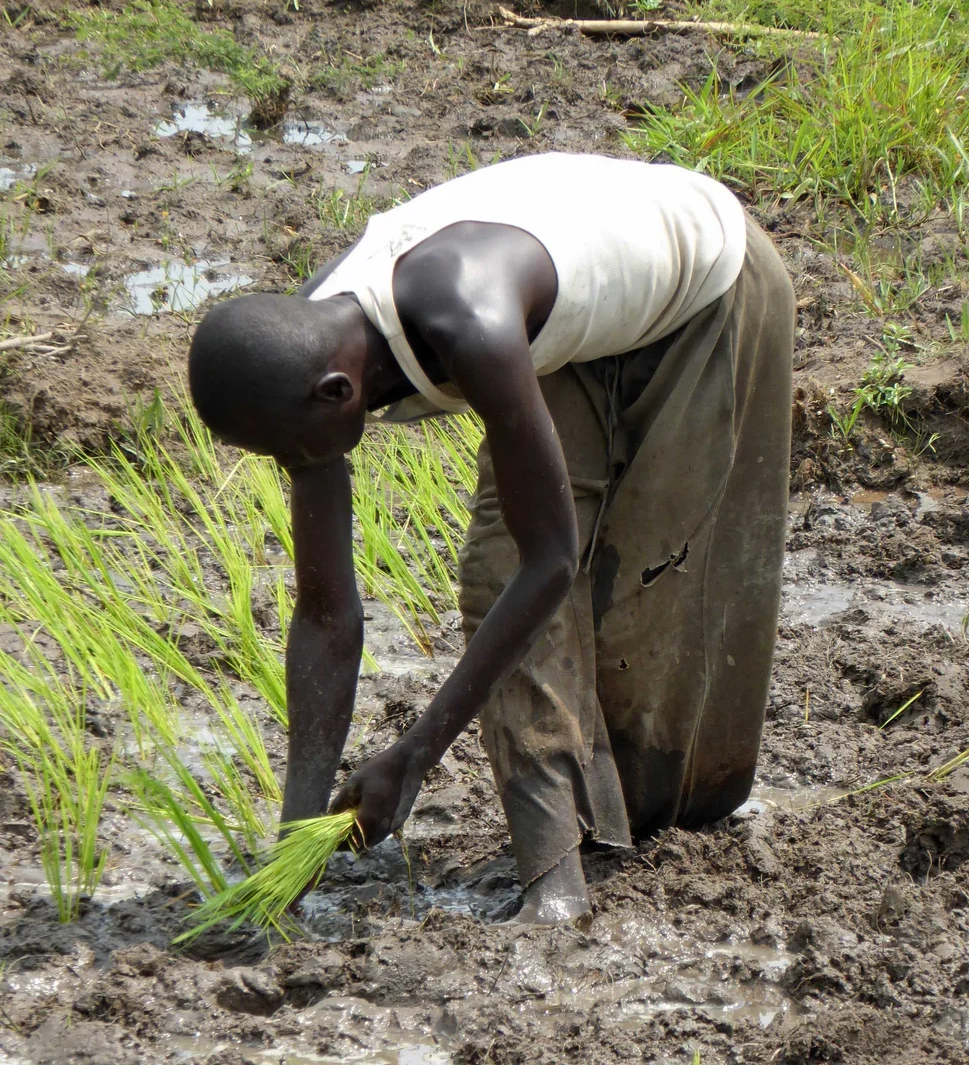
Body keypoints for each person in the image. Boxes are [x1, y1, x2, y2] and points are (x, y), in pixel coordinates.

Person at [187, 152, 795, 924]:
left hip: (710, 288)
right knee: (495, 568)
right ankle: (556, 878)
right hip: (576, 327)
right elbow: (326, 615)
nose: (295, 466)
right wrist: (296, 839)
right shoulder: (302, 348)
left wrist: (414, 756)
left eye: (293, 452)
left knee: (650, 590)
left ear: (337, 393)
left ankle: (640, 829)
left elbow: (552, 561)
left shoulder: (469, 319)